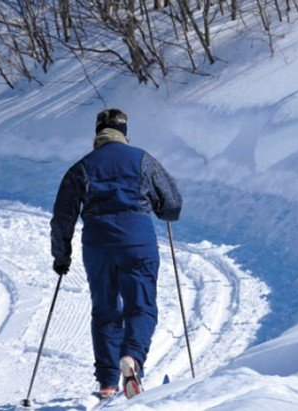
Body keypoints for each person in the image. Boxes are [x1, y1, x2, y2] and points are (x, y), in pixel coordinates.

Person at [50, 109, 182, 400]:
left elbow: (63, 216)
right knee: (141, 307)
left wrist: (62, 255)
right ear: (124, 132)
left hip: (98, 245)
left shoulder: (82, 167)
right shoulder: (143, 160)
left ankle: (108, 383)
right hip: (137, 242)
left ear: (97, 133)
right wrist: (157, 207)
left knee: (105, 310)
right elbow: (172, 205)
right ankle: (132, 358)